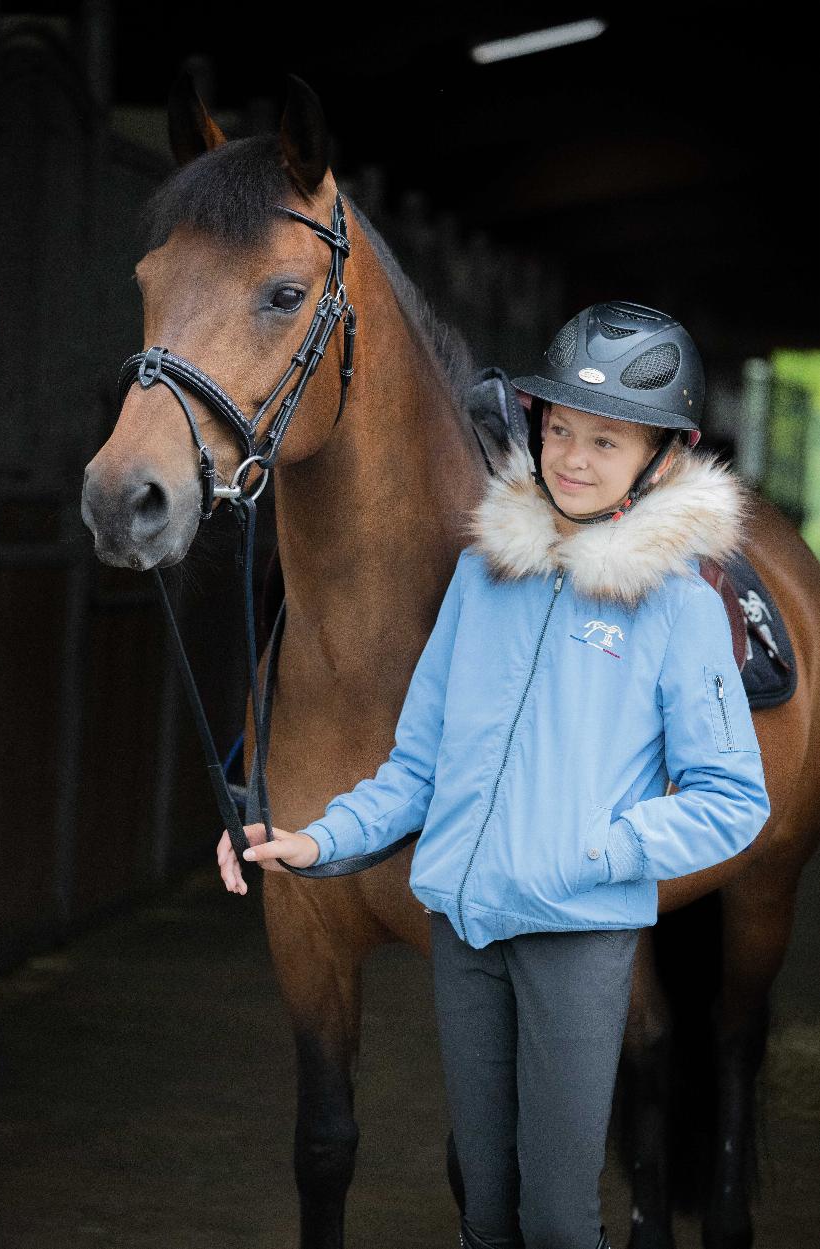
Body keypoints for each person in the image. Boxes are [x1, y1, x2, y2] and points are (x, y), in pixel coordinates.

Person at [217, 301, 770, 1249]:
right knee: (483, 1212)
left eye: (606, 440)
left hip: (575, 935)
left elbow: (734, 801)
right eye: (559, 429)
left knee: (557, 1221)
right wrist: (317, 838)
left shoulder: (677, 606)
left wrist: (600, 847)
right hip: (465, 930)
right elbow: (419, 763)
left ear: (659, 458)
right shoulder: (484, 576)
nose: (573, 458)